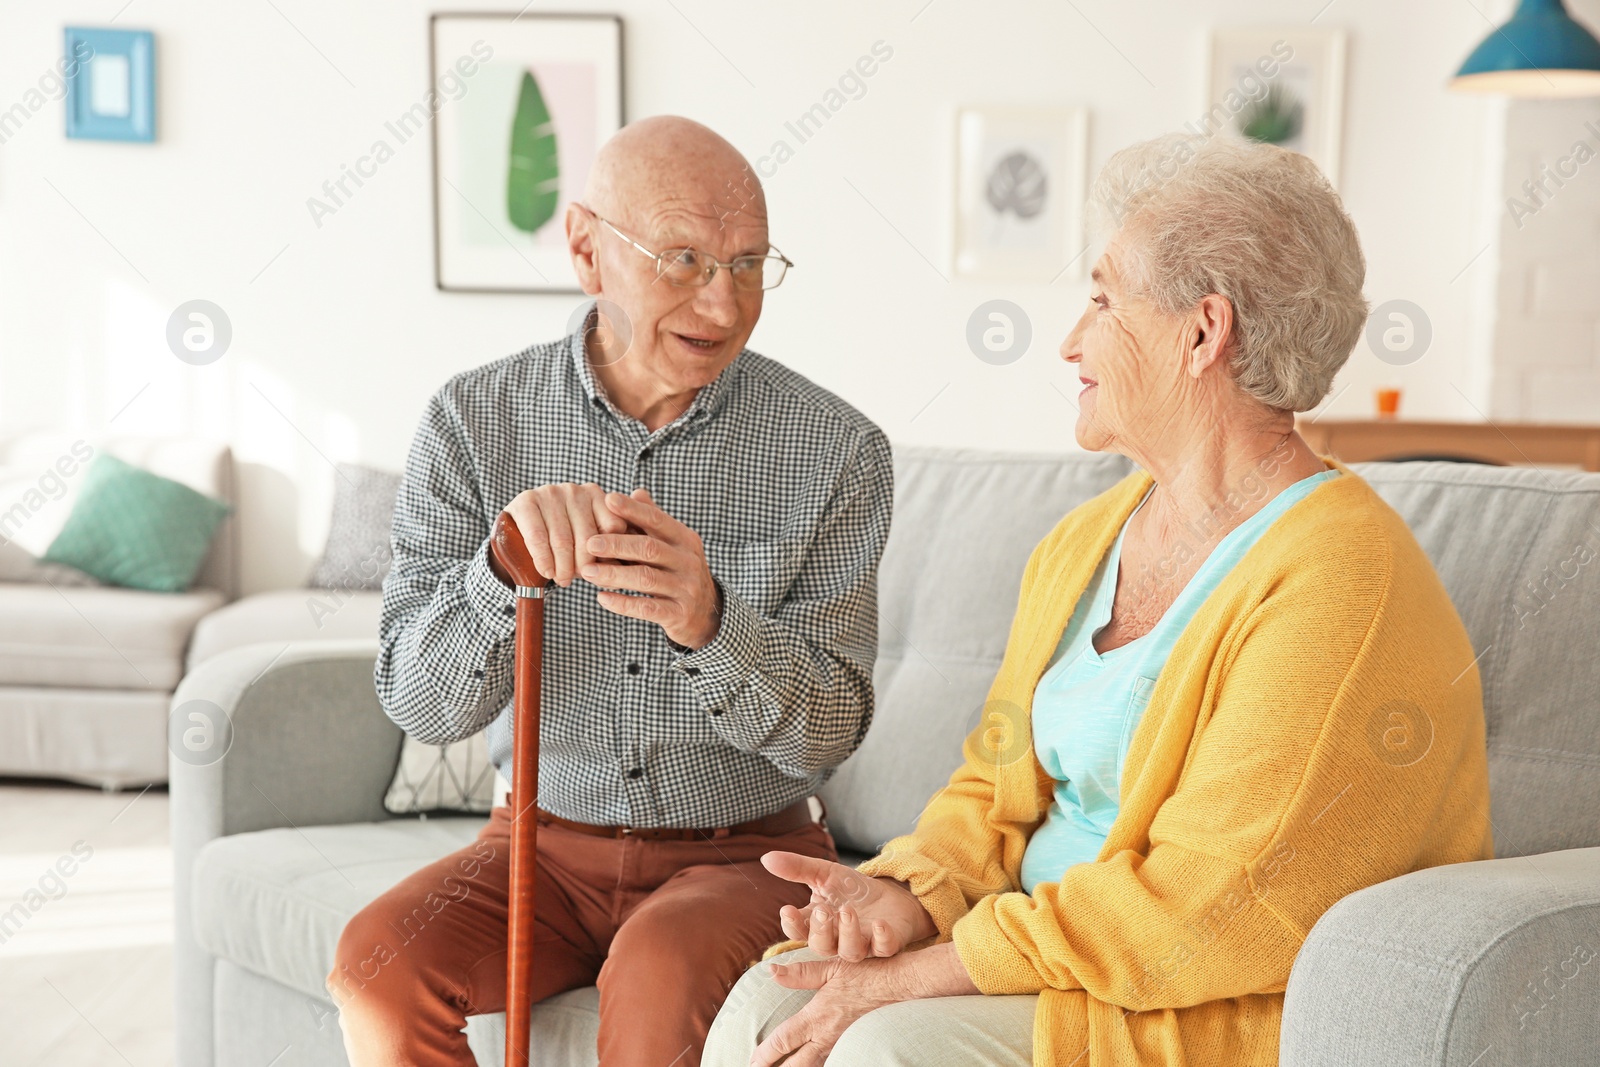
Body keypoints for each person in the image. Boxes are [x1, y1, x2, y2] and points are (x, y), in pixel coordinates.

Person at [703, 131, 1494, 1067]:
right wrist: (911, 896)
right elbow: (992, 786)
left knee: (885, 1048)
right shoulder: (1086, 542)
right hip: (1043, 958)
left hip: (1192, 1004)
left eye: (1102, 299)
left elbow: (1201, 907)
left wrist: (920, 973)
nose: (1072, 340)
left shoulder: (1338, 580)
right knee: (767, 994)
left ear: (1204, 331)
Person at [325, 115, 894, 1067]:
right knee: (376, 968)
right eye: (684, 258)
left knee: (660, 968)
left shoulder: (837, 450)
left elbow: (831, 729)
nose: (723, 303)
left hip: (742, 856)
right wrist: (495, 579)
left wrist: (710, 624)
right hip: (536, 847)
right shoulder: (473, 420)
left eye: (750, 263)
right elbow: (419, 703)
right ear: (587, 248)